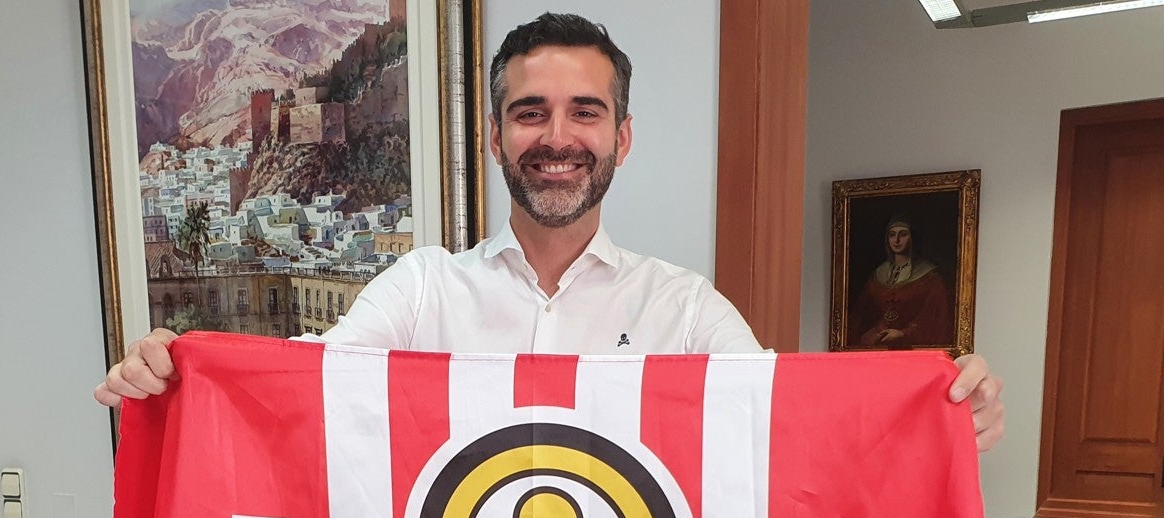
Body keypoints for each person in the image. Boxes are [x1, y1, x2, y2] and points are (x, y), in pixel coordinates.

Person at [95, 13, 1005, 451]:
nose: (557, 139)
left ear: (622, 137)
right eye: (529, 114)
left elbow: (795, 435)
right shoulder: (420, 293)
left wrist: (932, 421)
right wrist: (181, 374)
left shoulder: (684, 312)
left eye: (585, 113)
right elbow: (297, 393)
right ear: (496, 137)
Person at [850, 214, 952, 348]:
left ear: (913, 238)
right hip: (878, 340)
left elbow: (934, 317)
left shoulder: (930, 276)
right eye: (892, 235)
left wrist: (903, 334)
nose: (896, 240)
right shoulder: (879, 273)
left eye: (903, 234)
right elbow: (861, 313)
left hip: (910, 344)